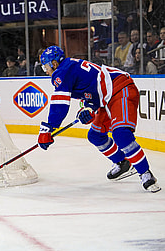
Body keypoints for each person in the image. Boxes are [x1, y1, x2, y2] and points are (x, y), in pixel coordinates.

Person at [37, 46, 160, 193]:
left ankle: (145, 173)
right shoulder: (69, 67)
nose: (46, 71)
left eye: (46, 67)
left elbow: (60, 103)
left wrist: (48, 128)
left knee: (121, 134)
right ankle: (123, 163)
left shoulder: (61, 72)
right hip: (106, 98)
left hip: (120, 88)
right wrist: (87, 109)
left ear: (54, 64)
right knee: (95, 135)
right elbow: (89, 92)